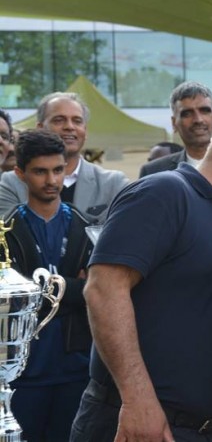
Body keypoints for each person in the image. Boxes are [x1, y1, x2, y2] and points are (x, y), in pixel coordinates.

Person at [69, 102, 212, 441]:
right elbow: (103, 289)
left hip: (211, 428)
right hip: (143, 425)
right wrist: (138, 398)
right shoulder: (165, 194)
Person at [5, 129, 94, 442]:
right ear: (20, 173)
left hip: (77, 366)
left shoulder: (86, 228)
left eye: (58, 170)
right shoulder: (7, 232)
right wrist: (73, 288)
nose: (51, 180)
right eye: (40, 171)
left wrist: (45, 289)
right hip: (23, 373)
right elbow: (14, 299)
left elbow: (98, 292)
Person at [0, 92, 128, 223]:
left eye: (77, 121)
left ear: (85, 130)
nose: (69, 127)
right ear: (40, 128)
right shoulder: (11, 183)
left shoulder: (113, 184)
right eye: (59, 120)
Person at [139, 81, 212, 177]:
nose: (198, 120)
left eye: (205, 111)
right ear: (174, 123)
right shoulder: (153, 172)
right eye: (187, 113)